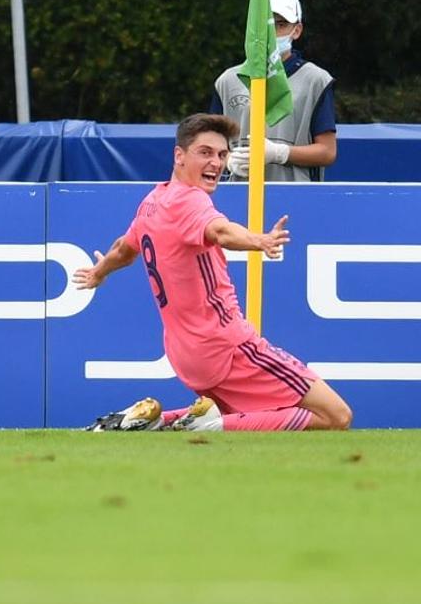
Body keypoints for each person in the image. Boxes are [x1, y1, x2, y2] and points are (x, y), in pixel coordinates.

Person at [73, 113, 352, 432]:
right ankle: (196, 423)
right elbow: (220, 231)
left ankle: (146, 422)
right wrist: (257, 240)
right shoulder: (191, 201)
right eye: (205, 152)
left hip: (185, 355)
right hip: (227, 346)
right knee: (336, 416)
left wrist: (99, 272)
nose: (216, 163)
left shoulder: (153, 200)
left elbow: (125, 247)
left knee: (253, 427)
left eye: (222, 154)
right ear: (179, 156)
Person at [212, 0, 337, 182]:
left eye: (280, 24)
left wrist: (280, 153)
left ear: (297, 30)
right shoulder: (227, 81)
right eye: (265, 24)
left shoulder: (315, 80)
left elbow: (327, 152)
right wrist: (229, 161)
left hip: (296, 194)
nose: (271, 32)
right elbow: (210, 145)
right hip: (239, 193)